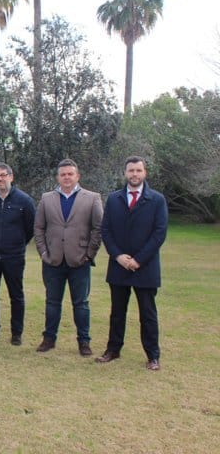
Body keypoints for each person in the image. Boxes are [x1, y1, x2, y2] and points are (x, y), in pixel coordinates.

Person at [96, 156, 168, 371]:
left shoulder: (157, 200)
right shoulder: (114, 198)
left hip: (145, 266)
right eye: (131, 171)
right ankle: (113, 350)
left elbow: (159, 233)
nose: (134, 174)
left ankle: (153, 356)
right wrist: (118, 256)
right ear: (125, 173)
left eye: (138, 170)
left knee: (147, 314)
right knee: (117, 312)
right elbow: (106, 230)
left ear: (145, 173)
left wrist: (138, 259)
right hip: (119, 265)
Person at [34, 159, 103, 356]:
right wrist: (43, 252)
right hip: (53, 260)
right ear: (58, 177)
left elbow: (98, 228)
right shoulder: (47, 198)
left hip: (79, 260)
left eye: (70, 174)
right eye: (63, 174)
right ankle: (49, 339)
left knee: (81, 303)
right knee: (52, 302)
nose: (66, 177)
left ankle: (84, 342)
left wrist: (89, 254)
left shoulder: (92, 198)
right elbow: (38, 227)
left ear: (77, 176)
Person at [0, 162, 36, 346]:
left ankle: (16, 333)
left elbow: (30, 228)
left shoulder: (24, 200)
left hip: (14, 256)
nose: (0, 179)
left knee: (16, 295)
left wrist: (16, 243)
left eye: (3, 175)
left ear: (11, 177)